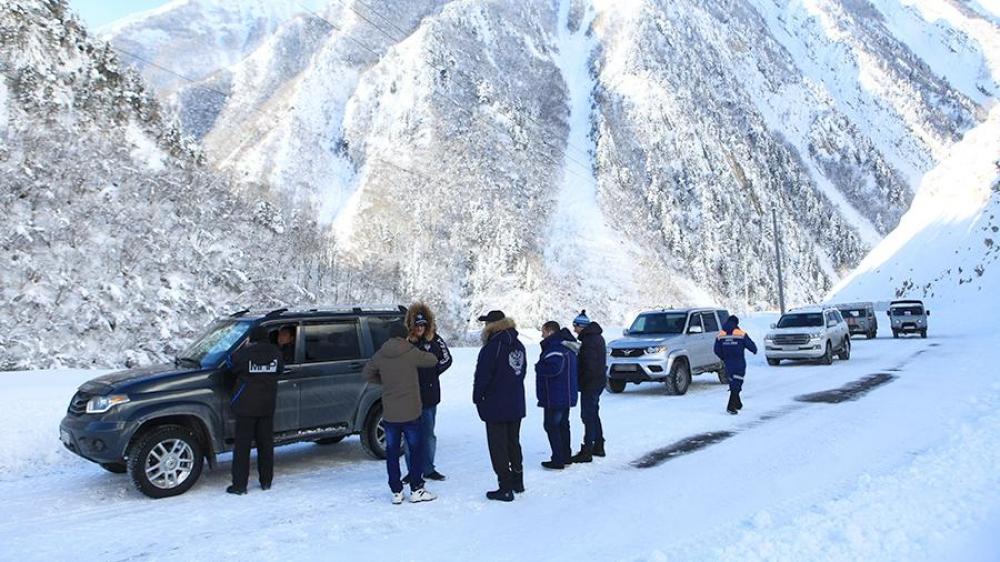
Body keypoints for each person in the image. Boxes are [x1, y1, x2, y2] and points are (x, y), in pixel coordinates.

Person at [362, 322, 440, 504]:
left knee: (392, 452)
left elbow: (366, 374)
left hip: (390, 413)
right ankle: (416, 489)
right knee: (415, 449)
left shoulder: (381, 353)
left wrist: (384, 381)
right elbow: (433, 360)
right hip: (411, 412)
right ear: (406, 335)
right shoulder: (410, 352)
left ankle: (396, 492)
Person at [472, 310, 527, 502]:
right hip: (515, 401)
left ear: (493, 325)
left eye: (487, 323)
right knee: (513, 442)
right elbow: (521, 372)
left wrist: (477, 398)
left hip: (496, 403)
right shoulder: (518, 345)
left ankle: (505, 487)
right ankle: (518, 481)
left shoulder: (492, 348)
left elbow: (482, 377)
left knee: (498, 447)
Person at [227, 326, 283, 495]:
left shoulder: (245, 353)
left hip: (246, 407)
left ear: (251, 338)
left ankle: (239, 486)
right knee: (266, 446)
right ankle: (266, 481)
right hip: (267, 406)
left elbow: (230, 364)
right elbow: (280, 369)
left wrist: (242, 347)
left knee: (242, 448)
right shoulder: (276, 353)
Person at [402, 303, 453, 482]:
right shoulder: (405, 342)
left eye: (423, 325)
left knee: (428, 434)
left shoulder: (436, 340)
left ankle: (429, 468)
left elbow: (447, 359)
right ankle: (412, 470)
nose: (420, 329)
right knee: (410, 437)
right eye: (417, 326)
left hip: (430, 396)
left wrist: (433, 371)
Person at [535, 321, 579, 470]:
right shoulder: (567, 346)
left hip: (555, 395)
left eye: (543, 331)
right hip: (564, 393)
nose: (542, 335)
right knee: (562, 425)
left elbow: (554, 369)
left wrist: (538, 366)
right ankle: (565, 455)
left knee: (552, 425)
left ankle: (558, 459)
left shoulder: (556, 348)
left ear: (550, 331)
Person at [571, 310, 607, 463]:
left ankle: (587, 450)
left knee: (588, 415)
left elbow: (589, 365)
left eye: (575, 326)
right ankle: (598, 445)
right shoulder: (595, 338)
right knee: (593, 413)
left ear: (582, 326)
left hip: (590, 384)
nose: (574, 330)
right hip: (597, 382)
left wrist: (582, 381)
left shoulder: (589, 341)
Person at [714, 315, 758, 415]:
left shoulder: (720, 334)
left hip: (728, 362)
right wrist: (754, 350)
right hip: (739, 361)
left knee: (733, 381)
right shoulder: (740, 333)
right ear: (736, 323)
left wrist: (723, 357)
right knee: (737, 382)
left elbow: (716, 350)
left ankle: (738, 403)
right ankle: (731, 406)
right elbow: (750, 345)